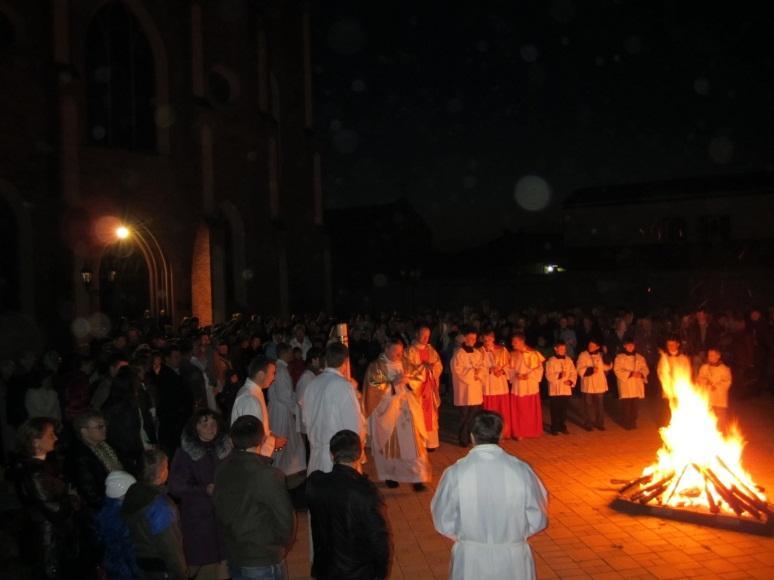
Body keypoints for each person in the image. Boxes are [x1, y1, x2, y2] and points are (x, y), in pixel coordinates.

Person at [430, 411, 548, 580]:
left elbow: (442, 519)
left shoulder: (455, 473)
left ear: (472, 437)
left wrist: (468, 538)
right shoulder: (521, 470)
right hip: (513, 558)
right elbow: (538, 517)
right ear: (501, 435)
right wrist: (515, 535)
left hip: (471, 559)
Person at [213, 416, 295, 580]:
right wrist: (279, 547)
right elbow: (285, 520)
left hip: (235, 553)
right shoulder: (267, 475)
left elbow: (219, 509)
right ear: (262, 439)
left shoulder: (222, 469)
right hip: (262, 557)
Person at [306, 430, 391, 580]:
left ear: (332, 456)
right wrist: (380, 573)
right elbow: (379, 540)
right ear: (359, 455)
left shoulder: (315, 483)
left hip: (325, 569)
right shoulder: (366, 492)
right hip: (358, 573)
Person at [13, 417, 79, 580]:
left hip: (52, 534)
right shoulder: (35, 474)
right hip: (49, 538)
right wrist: (72, 499)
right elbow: (56, 512)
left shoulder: (43, 466)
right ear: (35, 441)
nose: (56, 438)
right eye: (50, 435)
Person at [169, 409, 231, 580]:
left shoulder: (225, 449)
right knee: (200, 568)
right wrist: (203, 489)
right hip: (199, 521)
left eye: (213, 424)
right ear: (195, 428)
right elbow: (175, 486)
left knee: (225, 565)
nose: (211, 428)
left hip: (223, 519)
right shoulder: (185, 453)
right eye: (205, 424)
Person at [364, 336, 431, 491]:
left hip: (407, 412)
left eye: (401, 352)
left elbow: (418, 379)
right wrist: (392, 385)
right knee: (390, 447)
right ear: (386, 349)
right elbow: (373, 389)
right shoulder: (377, 367)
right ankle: (390, 476)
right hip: (388, 413)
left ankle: (417, 478)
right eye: (396, 352)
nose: (399, 356)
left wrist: (408, 382)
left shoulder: (406, 363)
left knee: (415, 446)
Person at [122, 449, 187, 580]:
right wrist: (182, 573)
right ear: (162, 473)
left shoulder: (132, 493)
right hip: (163, 569)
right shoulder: (160, 507)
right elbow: (170, 546)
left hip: (142, 566)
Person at [302, 343, 365, 474]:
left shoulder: (312, 384)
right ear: (346, 362)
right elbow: (353, 423)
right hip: (338, 456)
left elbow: (305, 419)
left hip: (316, 452)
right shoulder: (343, 386)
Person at [67, 409, 123, 511]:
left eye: (104, 425)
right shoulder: (81, 457)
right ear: (84, 431)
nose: (105, 429)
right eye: (99, 427)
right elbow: (92, 495)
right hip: (109, 506)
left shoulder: (105, 445)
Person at [231, 356, 285, 457]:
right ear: (261, 374)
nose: (274, 378)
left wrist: (272, 436)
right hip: (250, 460)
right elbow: (251, 439)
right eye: (273, 373)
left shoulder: (254, 392)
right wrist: (273, 444)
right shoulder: (249, 399)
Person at [268, 344, 307, 477]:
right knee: (281, 439)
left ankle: (286, 468)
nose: (292, 354)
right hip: (281, 411)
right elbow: (283, 394)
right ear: (286, 353)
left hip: (281, 409)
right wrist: (296, 410)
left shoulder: (281, 368)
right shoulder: (281, 370)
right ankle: (276, 469)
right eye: (290, 351)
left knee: (291, 441)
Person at [103, 367, 151, 476]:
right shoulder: (128, 408)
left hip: (116, 452)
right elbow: (131, 434)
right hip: (129, 455)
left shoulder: (108, 405)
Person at [95, 471, 140, 580]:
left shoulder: (106, 511)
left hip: (111, 565)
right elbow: (129, 551)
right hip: (124, 570)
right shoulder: (120, 520)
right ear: (121, 494)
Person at [405, 326, 444, 450]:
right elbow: (407, 368)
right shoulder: (410, 351)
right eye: (423, 335)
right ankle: (418, 441)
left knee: (430, 414)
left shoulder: (431, 350)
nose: (426, 338)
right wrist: (423, 368)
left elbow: (439, 365)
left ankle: (430, 443)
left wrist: (432, 368)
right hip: (417, 389)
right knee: (417, 413)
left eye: (428, 336)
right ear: (417, 334)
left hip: (430, 387)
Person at [156, 344, 193, 456]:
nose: (179, 359)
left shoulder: (176, 373)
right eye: (176, 357)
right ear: (167, 359)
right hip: (174, 424)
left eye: (179, 356)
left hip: (178, 421)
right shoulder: (166, 377)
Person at [450, 327, 484, 447]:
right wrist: (472, 373)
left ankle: (470, 436)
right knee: (464, 416)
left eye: (474, 338)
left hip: (475, 389)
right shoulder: (459, 353)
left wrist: (479, 373)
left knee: (473, 415)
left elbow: (482, 367)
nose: (472, 340)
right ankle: (463, 438)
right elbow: (456, 370)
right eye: (469, 338)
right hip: (464, 389)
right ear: (465, 338)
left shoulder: (478, 353)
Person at [508, 333, 545, 439]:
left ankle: (531, 430)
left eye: (514, 342)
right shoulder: (513, 354)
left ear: (521, 341)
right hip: (518, 385)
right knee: (518, 409)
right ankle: (518, 431)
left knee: (529, 409)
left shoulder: (533, 353)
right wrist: (515, 374)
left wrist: (528, 376)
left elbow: (539, 369)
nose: (512, 344)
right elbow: (510, 369)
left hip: (530, 385)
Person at [613, 337, 649, 430]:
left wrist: (641, 374)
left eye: (632, 345)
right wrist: (630, 373)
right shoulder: (619, 357)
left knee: (635, 406)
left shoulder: (640, 358)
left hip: (637, 385)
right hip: (626, 385)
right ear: (624, 346)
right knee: (626, 406)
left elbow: (645, 369)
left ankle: (633, 421)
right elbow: (617, 370)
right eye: (628, 345)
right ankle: (626, 422)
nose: (630, 347)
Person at [656, 336, 692, 426]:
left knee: (680, 406)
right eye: (669, 345)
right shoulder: (664, 358)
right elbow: (660, 371)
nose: (671, 346)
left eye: (673, 344)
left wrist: (681, 380)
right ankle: (667, 425)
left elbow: (687, 372)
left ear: (678, 345)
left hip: (680, 387)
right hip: (668, 386)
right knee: (667, 407)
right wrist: (667, 379)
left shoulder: (684, 358)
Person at [577, 339, 611, 431]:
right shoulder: (583, 355)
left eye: (592, 345)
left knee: (600, 405)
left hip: (599, 383)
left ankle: (599, 423)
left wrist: (606, 354)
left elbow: (607, 367)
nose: (590, 347)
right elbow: (579, 368)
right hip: (588, 384)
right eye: (589, 345)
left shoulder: (601, 355)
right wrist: (590, 370)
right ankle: (588, 423)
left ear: (597, 347)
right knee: (587, 405)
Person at [545, 340, 577, 435]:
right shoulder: (551, 361)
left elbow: (573, 372)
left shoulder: (568, 360)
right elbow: (548, 374)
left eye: (564, 349)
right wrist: (559, 375)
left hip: (565, 388)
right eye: (561, 349)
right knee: (555, 409)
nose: (563, 350)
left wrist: (570, 381)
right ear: (556, 349)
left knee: (564, 409)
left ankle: (562, 426)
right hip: (555, 389)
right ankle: (554, 427)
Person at [697, 347, 732, 430]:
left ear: (718, 356)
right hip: (707, 398)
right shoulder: (704, 367)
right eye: (709, 355)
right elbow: (700, 378)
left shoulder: (725, 369)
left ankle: (721, 436)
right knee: (707, 419)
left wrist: (716, 386)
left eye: (712, 355)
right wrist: (706, 383)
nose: (710, 357)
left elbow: (727, 382)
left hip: (720, 400)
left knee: (720, 421)